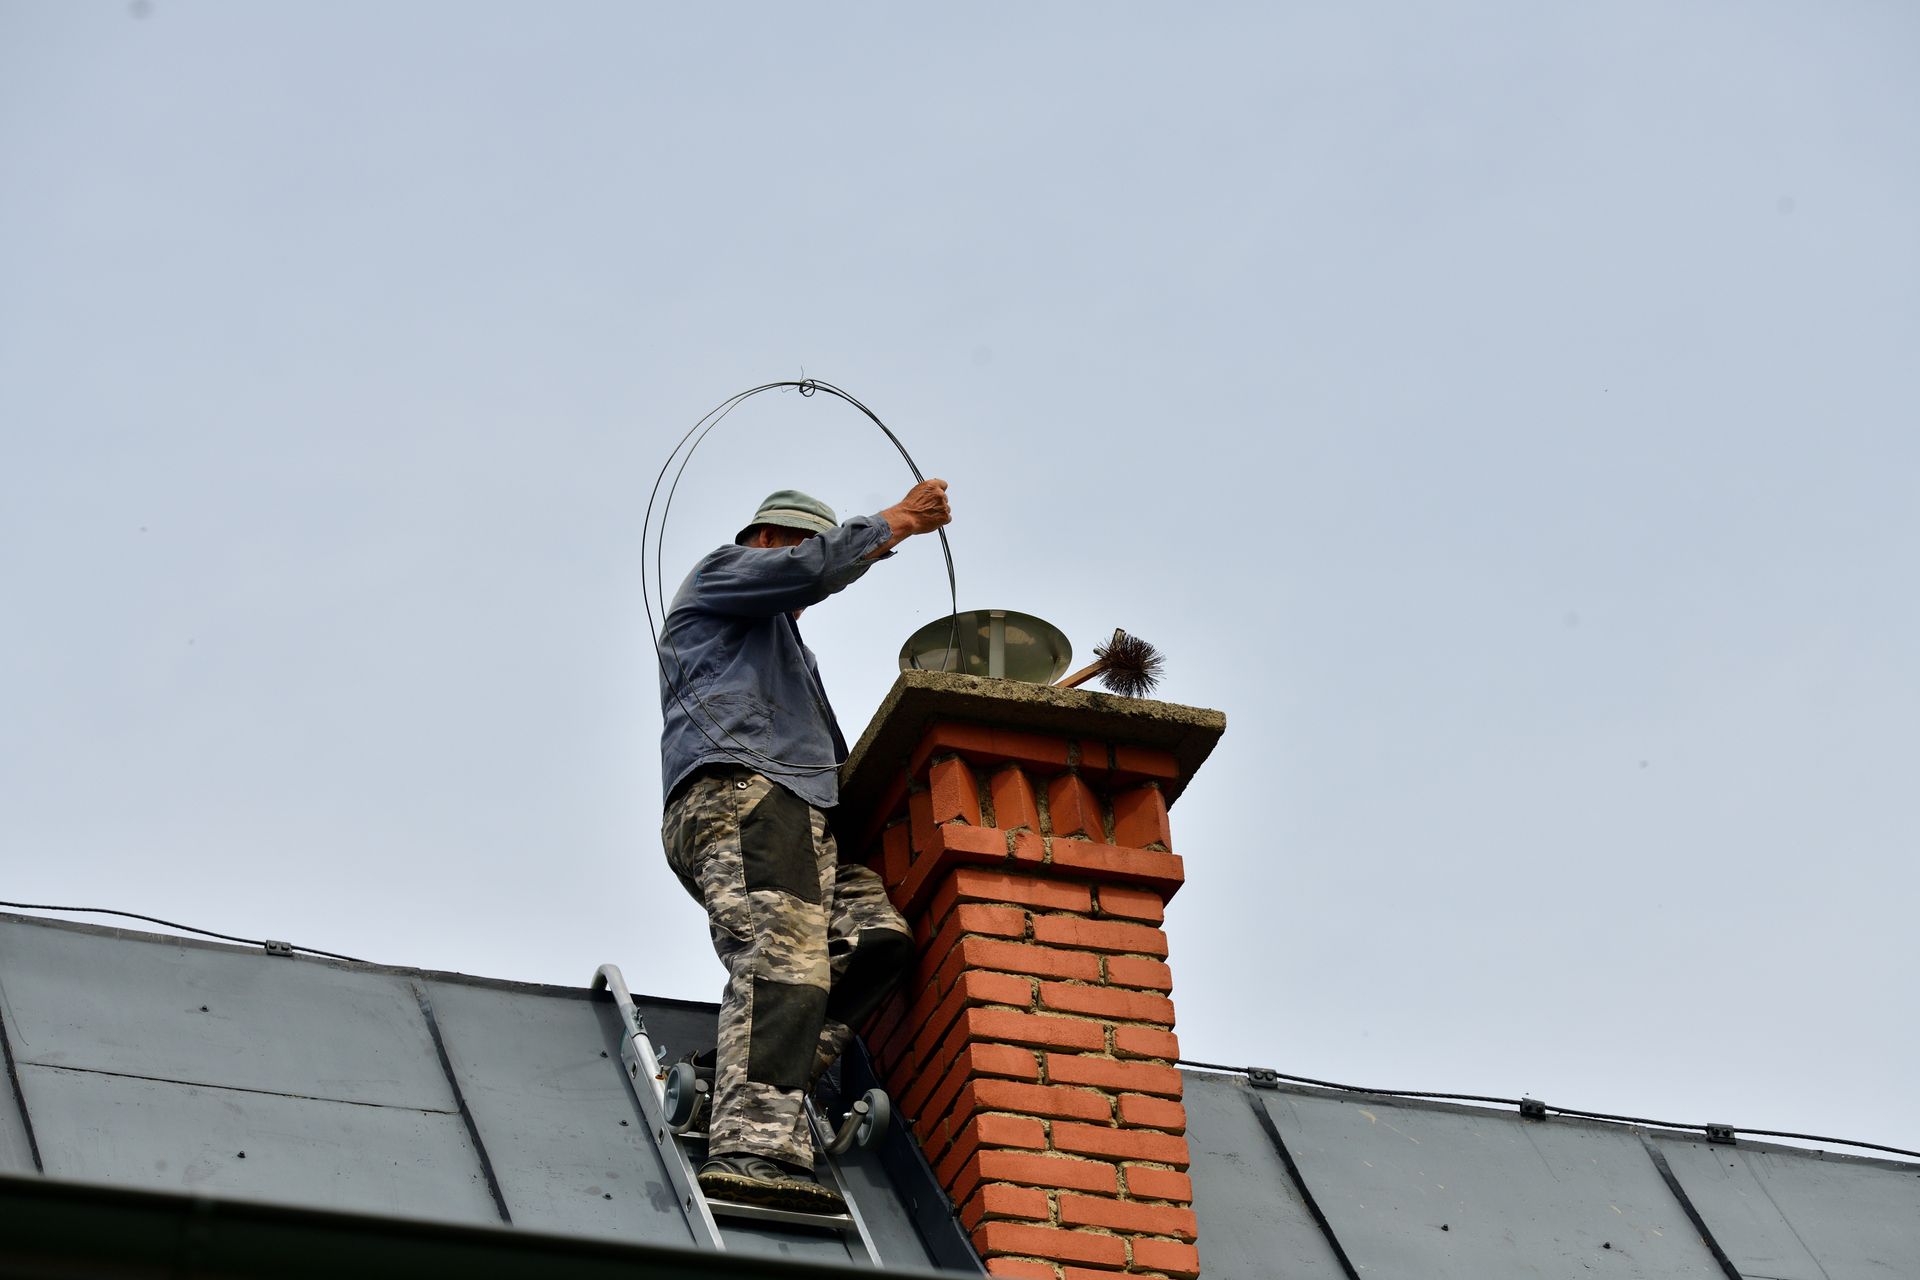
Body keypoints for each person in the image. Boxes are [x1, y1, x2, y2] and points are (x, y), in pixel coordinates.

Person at [657, 479, 952, 1212]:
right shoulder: (721, 574)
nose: (808, 572)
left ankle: (737, 1075)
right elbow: (809, 569)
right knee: (783, 965)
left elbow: (809, 575)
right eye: (797, 545)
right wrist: (897, 523)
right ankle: (753, 1150)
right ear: (763, 541)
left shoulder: (785, 645)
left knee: (875, 939)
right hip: (745, 793)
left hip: (799, 812)